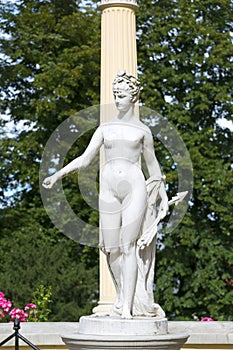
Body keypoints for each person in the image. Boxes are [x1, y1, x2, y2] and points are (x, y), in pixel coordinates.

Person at [42, 72, 168, 319]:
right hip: (108, 187)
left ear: (134, 96)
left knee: (127, 245)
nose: (117, 99)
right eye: (115, 95)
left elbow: (153, 167)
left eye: (121, 95)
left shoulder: (142, 130)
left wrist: (162, 195)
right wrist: (58, 174)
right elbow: (85, 158)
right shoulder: (105, 128)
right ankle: (121, 297)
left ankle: (128, 311)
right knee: (110, 248)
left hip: (134, 186)